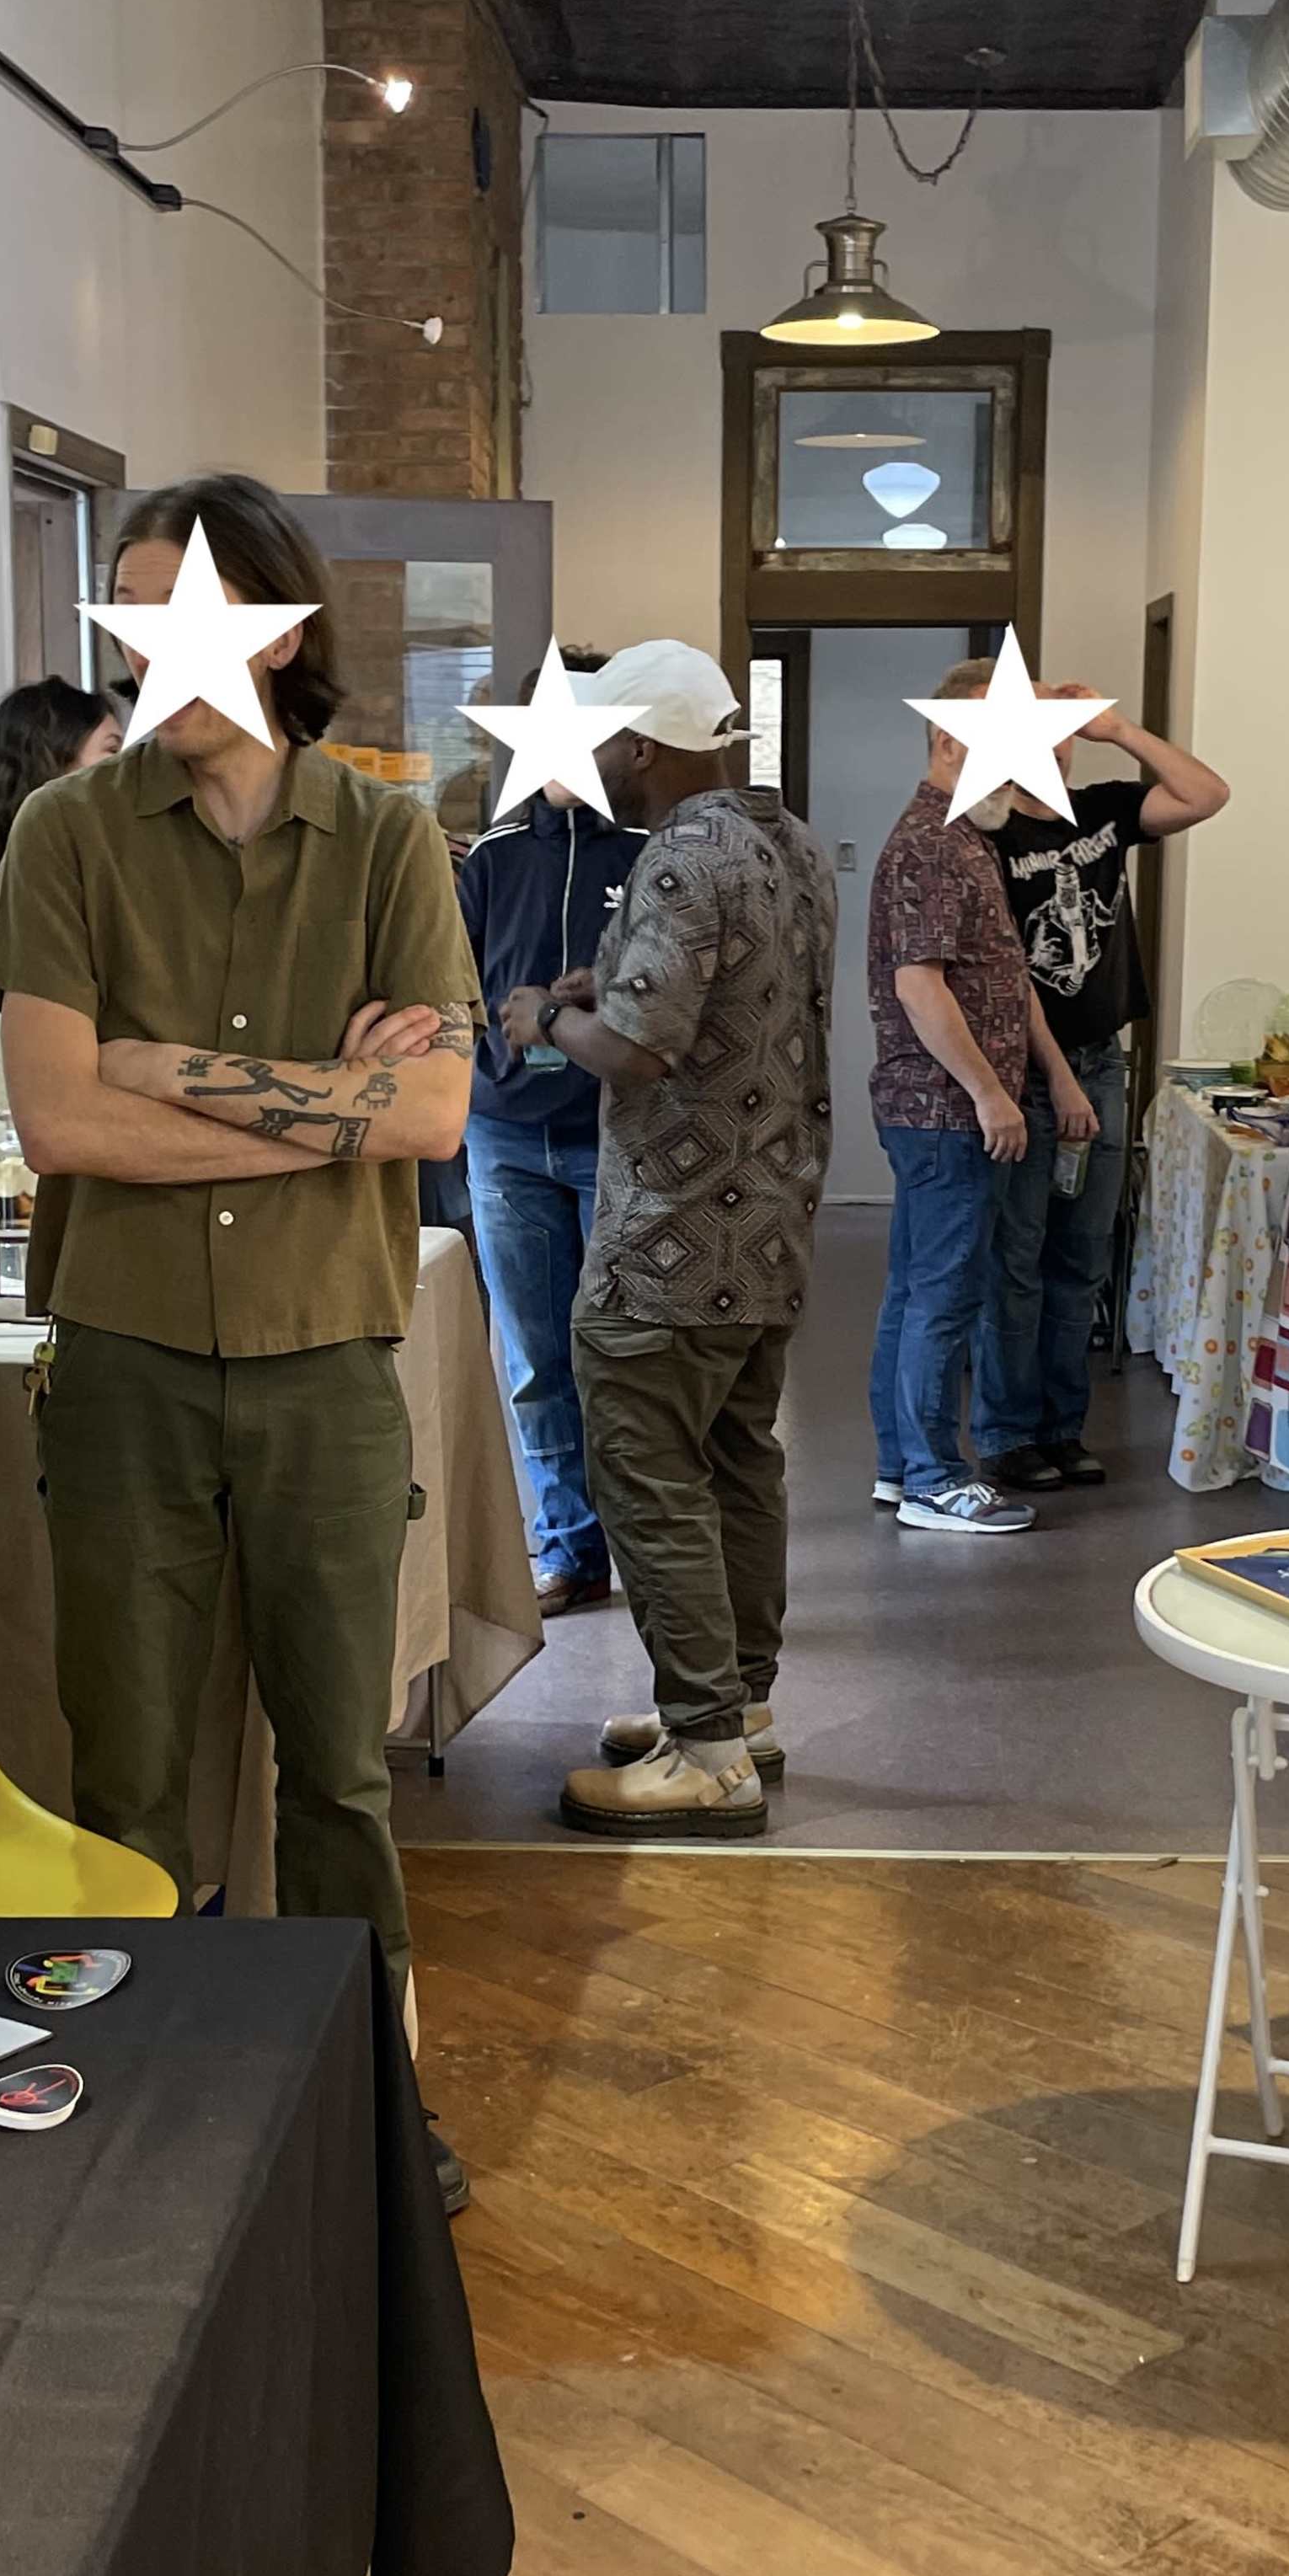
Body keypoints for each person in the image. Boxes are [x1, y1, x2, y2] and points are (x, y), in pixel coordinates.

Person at [0, 472, 482, 2207]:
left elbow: (431, 1117)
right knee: (126, 1771)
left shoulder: (389, 839)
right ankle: (131, 2092)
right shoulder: (69, 835)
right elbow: (60, 1123)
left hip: (329, 1360)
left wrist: (159, 1068)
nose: (150, 654)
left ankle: (367, 2104)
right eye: (129, 613)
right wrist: (325, 1104)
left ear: (277, 630)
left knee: (337, 1771)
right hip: (122, 1362)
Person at [498, 643, 836, 1837]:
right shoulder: (789, 844)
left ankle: (703, 1750)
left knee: (646, 1477)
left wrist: (542, 1017)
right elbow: (732, 997)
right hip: (772, 1225)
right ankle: (740, 1709)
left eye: (600, 740)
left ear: (641, 744)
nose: (589, 762)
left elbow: (640, 1053)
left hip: (670, 1241)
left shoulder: (680, 854)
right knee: (740, 1464)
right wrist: (614, 981)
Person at [973, 687, 1232, 1489]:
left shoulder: (1102, 812)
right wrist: (1056, 1079)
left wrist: (1120, 729)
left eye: (1060, 733)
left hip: (1102, 1063)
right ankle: (1008, 1433)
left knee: (1081, 1259)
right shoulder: (987, 836)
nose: (1053, 746)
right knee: (1017, 1261)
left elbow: (1207, 794)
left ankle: (1062, 1428)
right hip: (1026, 1073)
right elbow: (1007, 975)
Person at [866, 653, 1098, 1537]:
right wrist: (991, 1095)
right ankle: (932, 1479)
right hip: (945, 1112)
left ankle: (903, 1467)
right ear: (951, 740)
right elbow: (921, 984)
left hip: (946, 1109)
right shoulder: (932, 843)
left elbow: (1000, 978)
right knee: (944, 1296)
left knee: (918, 1291)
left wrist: (1046, 1076)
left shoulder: (966, 838)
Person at [457, 646, 636, 1617]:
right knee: (535, 1359)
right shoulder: (490, 856)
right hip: (506, 1139)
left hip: (620, 1136)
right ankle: (569, 1547)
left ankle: (645, 1542)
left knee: (621, 1351)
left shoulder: (647, 853)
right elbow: (452, 986)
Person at [0, 679, 119, 1124]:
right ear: (55, 768)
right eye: (113, 752)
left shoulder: (93, 890)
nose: (130, 773)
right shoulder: (24, 902)